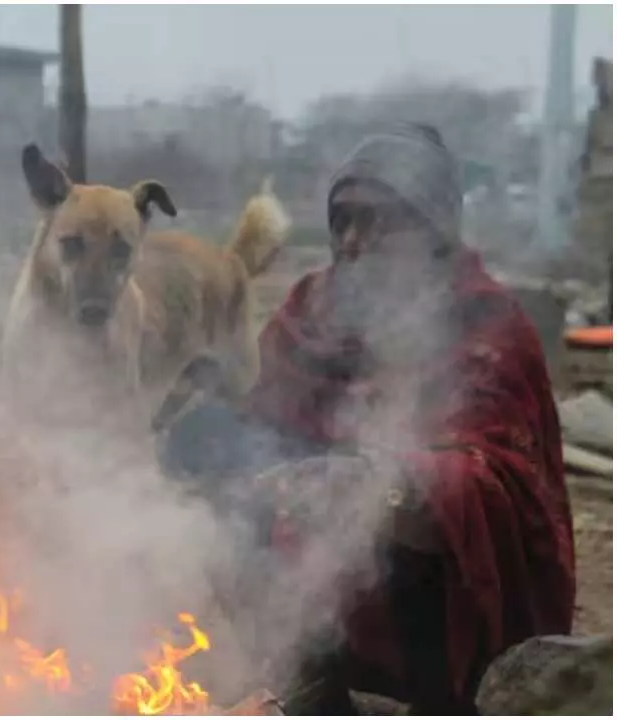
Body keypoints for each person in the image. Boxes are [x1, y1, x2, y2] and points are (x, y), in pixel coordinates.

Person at [161, 124, 575, 713]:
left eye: (376, 220)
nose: (353, 240)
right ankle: (312, 691)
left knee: (400, 521)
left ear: (431, 230)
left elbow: (500, 483)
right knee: (223, 463)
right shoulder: (311, 308)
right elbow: (264, 427)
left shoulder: (486, 324)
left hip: (437, 592)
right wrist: (206, 426)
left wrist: (386, 482)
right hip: (317, 586)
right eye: (342, 221)